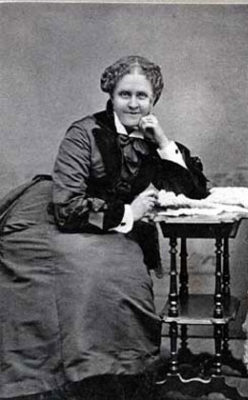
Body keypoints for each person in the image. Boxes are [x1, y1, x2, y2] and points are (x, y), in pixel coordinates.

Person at [0, 55, 209, 400]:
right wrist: (131, 209)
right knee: (84, 268)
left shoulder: (150, 138)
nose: (133, 103)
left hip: (110, 227)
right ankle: (60, 377)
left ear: (154, 99)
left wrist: (162, 141)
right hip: (50, 220)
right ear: (110, 94)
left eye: (142, 96)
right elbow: (66, 206)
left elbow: (195, 190)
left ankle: (112, 373)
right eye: (125, 94)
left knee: (122, 269)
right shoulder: (84, 133)